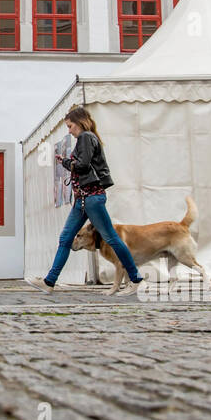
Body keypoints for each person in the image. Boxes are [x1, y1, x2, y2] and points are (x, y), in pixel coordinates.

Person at [40, 105, 143, 295]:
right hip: (84, 199)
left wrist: (65, 162)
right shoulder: (87, 138)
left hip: (92, 197)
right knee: (65, 238)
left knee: (111, 237)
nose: (69, 131)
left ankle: (136, 279)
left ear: (80, 123)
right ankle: (49, 281)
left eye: (70, 126)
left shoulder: (86, 137)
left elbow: (83, 165)